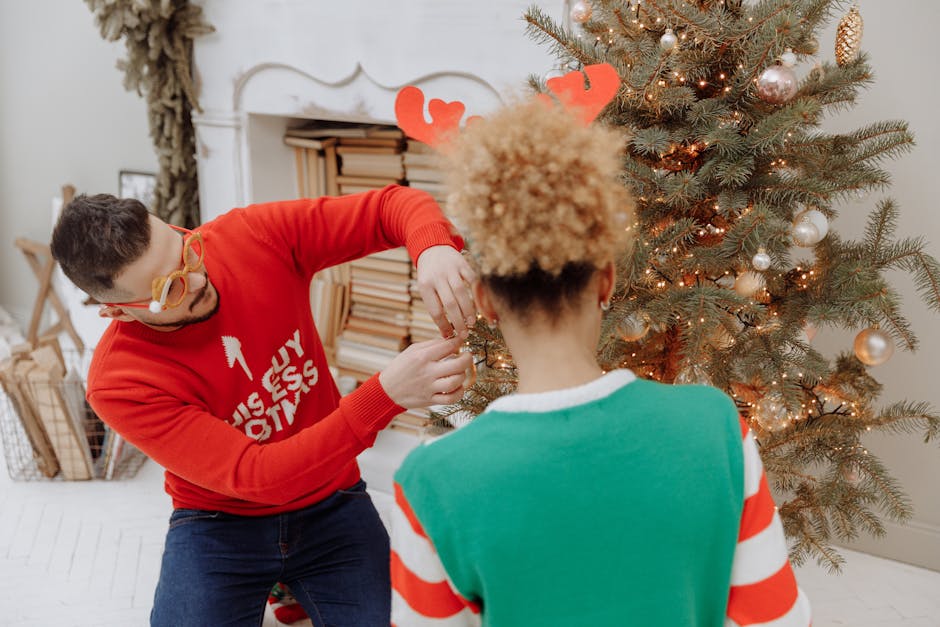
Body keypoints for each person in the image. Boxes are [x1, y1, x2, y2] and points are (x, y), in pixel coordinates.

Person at [390, 100, 812, 626]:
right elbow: (779, 620)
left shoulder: (432, 482)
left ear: (486, 300)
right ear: (607, 280)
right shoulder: (718, 428)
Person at [50, 184, 477, 626]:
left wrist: (433, 248)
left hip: (331, 497)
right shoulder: (119, 381)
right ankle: (284, 583)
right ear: (118, 312)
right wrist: (384, 396)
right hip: (219, 524)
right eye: (170, 289)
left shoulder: (250, 235)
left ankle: (291, 584)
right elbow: (259, 476)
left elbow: (390, 206)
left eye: (186, 252)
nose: (198, 280)